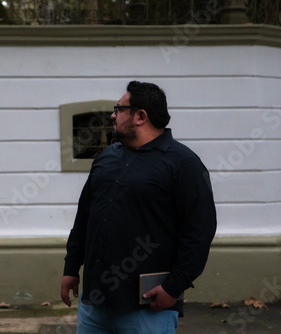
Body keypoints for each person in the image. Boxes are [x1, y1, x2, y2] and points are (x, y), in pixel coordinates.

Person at [60, 81, 217, 333]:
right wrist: (71, 267)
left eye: (119, 109)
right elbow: (85, 216)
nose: (113, 115)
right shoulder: (106, 158)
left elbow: (199, 231)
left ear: (140, 116)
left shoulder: (184, 164)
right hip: (94, 305)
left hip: (147, 309)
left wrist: (174, 286)